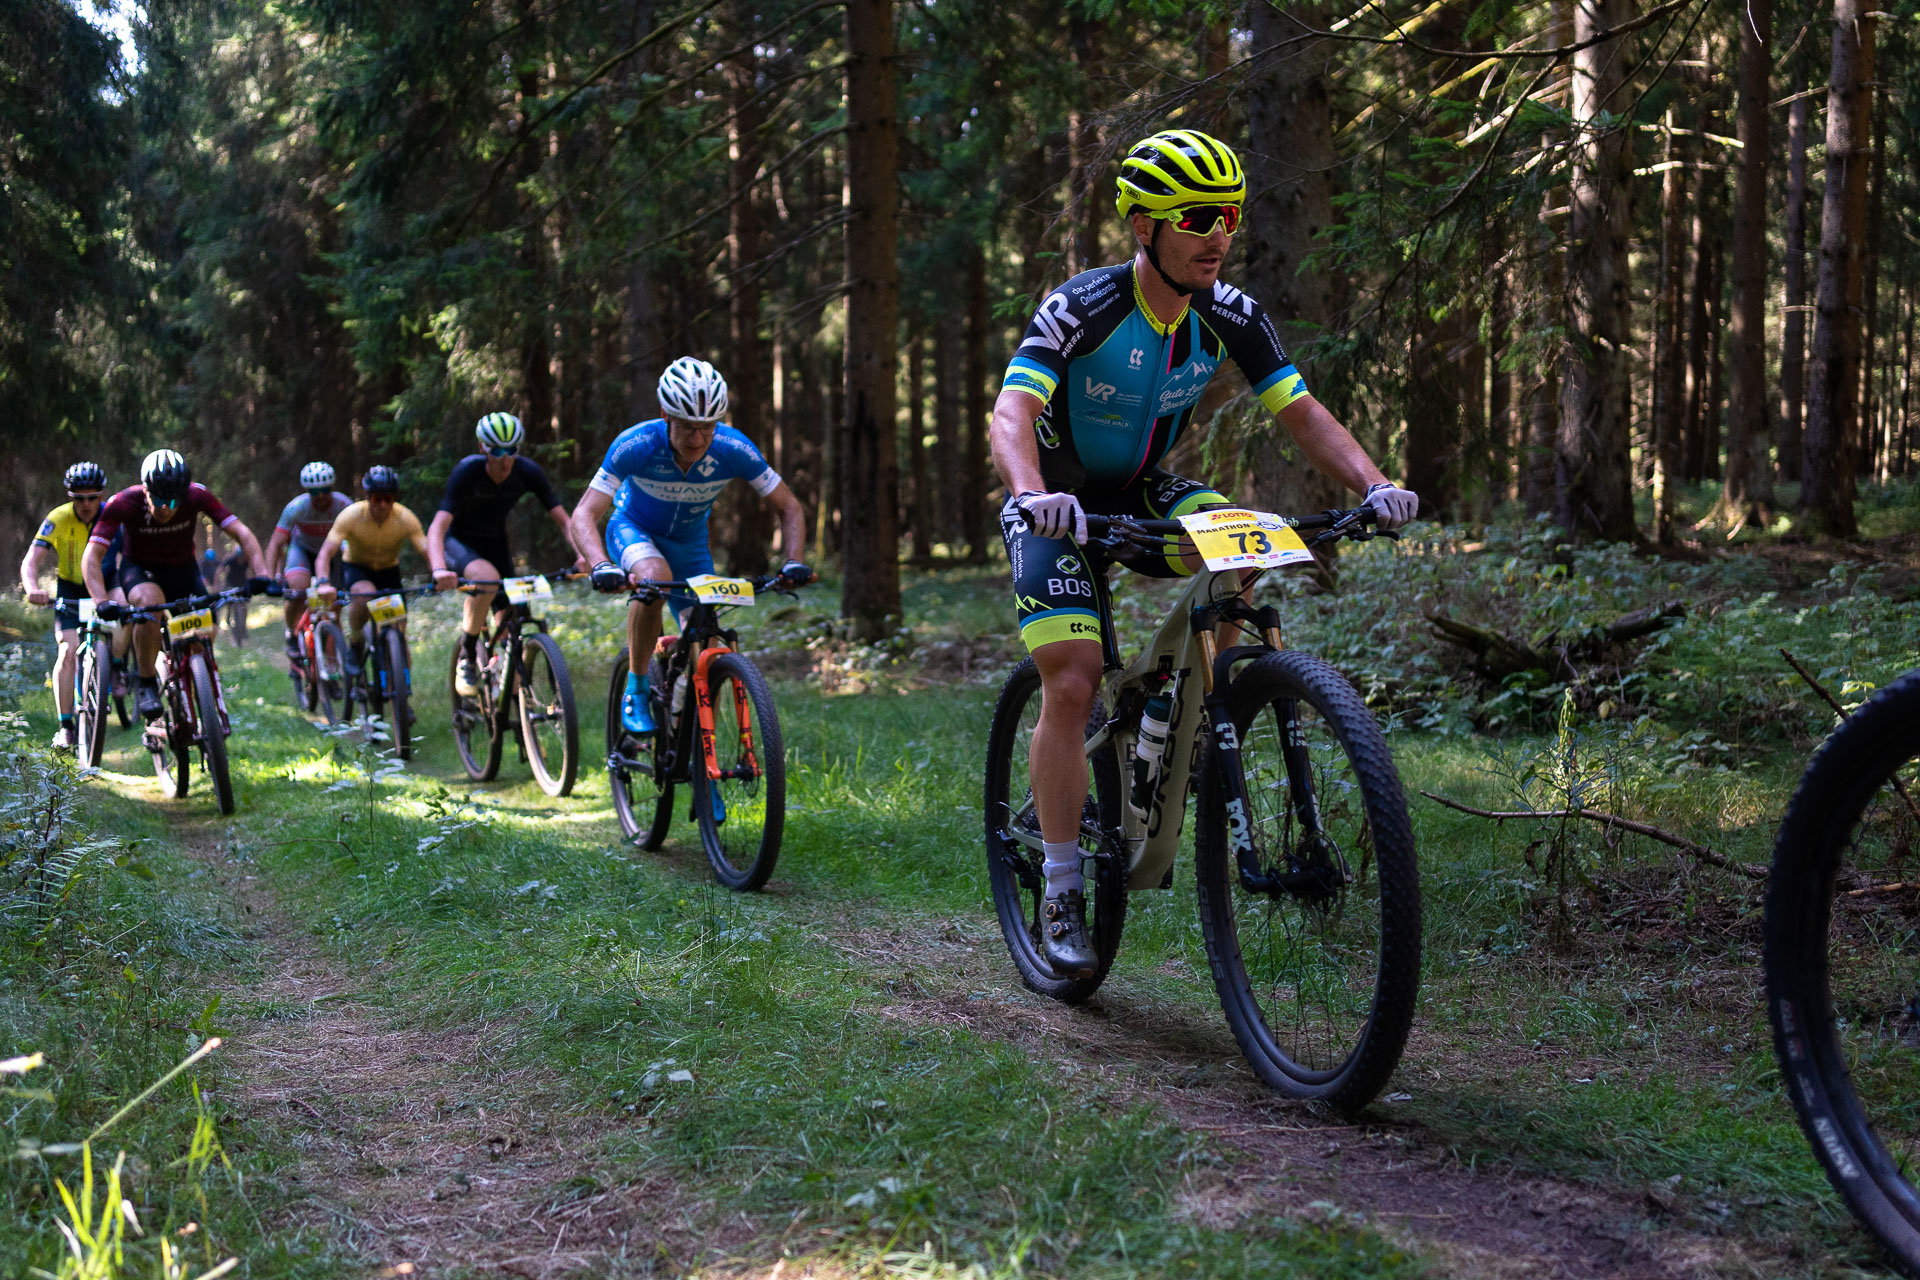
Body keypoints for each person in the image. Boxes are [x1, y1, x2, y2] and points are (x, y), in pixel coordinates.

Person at [988, 129, 1420, 978]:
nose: (1217, 234)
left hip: (1142, 488)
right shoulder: (1084, 305)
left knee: (1244, 539)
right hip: (1056, 502)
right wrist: (1033, 493)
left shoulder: (1230, 314)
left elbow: (1301, 411)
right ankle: (1063, 886)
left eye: (1229, 215)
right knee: (1072, 679)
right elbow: (1012, 412)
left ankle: (1194, 711)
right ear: (1143, 225)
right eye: (1195, 217)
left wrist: (1374, 482)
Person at [571, 357, 811, 733]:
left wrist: (794, 560)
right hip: (633, 530)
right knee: (654, 577)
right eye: (686, 427)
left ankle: (688, 729)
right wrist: (601, 565)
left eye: (706, 428)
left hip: (690, 546)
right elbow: (584, 513)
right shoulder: (636, 444)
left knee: (708, 644)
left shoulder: (734, 447)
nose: (697, 440)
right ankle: (636, 688)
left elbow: (789, 506)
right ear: (665, 415)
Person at [83, 450, 273, 722]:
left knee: (203, 631)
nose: (167, 508)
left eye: (174, 500)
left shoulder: (197, 495)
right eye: (159, 500)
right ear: (145, 491)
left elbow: (241, 533)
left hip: (183, 571)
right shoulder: (123, 503)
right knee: (149, 606)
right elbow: (92, 556)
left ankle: (195, 686)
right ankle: (147, 683)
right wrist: (101, 600)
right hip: (140, 571)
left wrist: (262, 574)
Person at [426, 413, 581, 697]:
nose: (505, 459)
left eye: (512, 450)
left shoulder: (527, 471)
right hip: (458, 543)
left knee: (512, 619)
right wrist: (438, 569)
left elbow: (564, 521)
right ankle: (467, 656)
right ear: (482, 448)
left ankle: (510, 695)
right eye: (497, 451)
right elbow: (437, 528)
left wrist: (584, 555)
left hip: (495, 544)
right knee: (487, 579)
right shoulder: (467, 471)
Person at [19, 462, 122, 749]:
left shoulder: (113, 516)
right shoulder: (58, 517)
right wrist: (32, 588)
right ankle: (66, 726)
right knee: (67, 651)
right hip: (71, 587)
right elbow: (31, 560)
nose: (86, 504)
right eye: (79, 498)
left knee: (125, 615)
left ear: (102, 495)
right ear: (70, 496)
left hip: (106, 583)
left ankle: (117, 668)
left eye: (92, 497)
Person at [312, 465, 435, 673]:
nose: (383, 505)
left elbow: (427, 551)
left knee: (399, 629)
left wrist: (439, 573)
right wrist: (323, 582)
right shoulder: (351, 515)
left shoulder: (405, 517)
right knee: (363, 596)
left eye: (389, 498)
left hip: (388, 571)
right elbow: (325, 553)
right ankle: (356, 641)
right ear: (368, 497)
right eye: (378, 499)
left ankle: (402, 687)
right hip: (357, 567)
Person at [265, 462, 352, 659]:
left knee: (335, 605)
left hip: (332, 555)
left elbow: (355, 538)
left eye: (325, 490)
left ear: (332, 487)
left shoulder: (343, 505)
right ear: (307, 491)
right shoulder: (296, 507)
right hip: (302, 551)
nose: (320, 495)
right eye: (314, 491)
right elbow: (275, 544)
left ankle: (333, 660)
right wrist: (270, 579)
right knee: (297, 591)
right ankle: (291, 632)